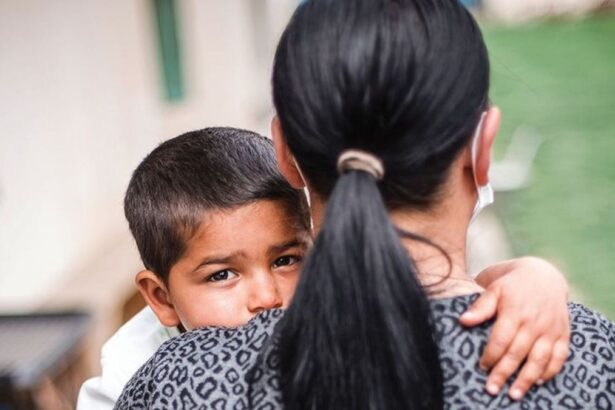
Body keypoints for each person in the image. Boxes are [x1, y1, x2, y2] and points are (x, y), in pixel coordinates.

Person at [114, 0, 615, 409]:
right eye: (223, 274)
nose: (263, 295)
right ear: (483, 149)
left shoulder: (180, 381)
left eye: (285, 260)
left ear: (285, 152)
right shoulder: (583, 358)